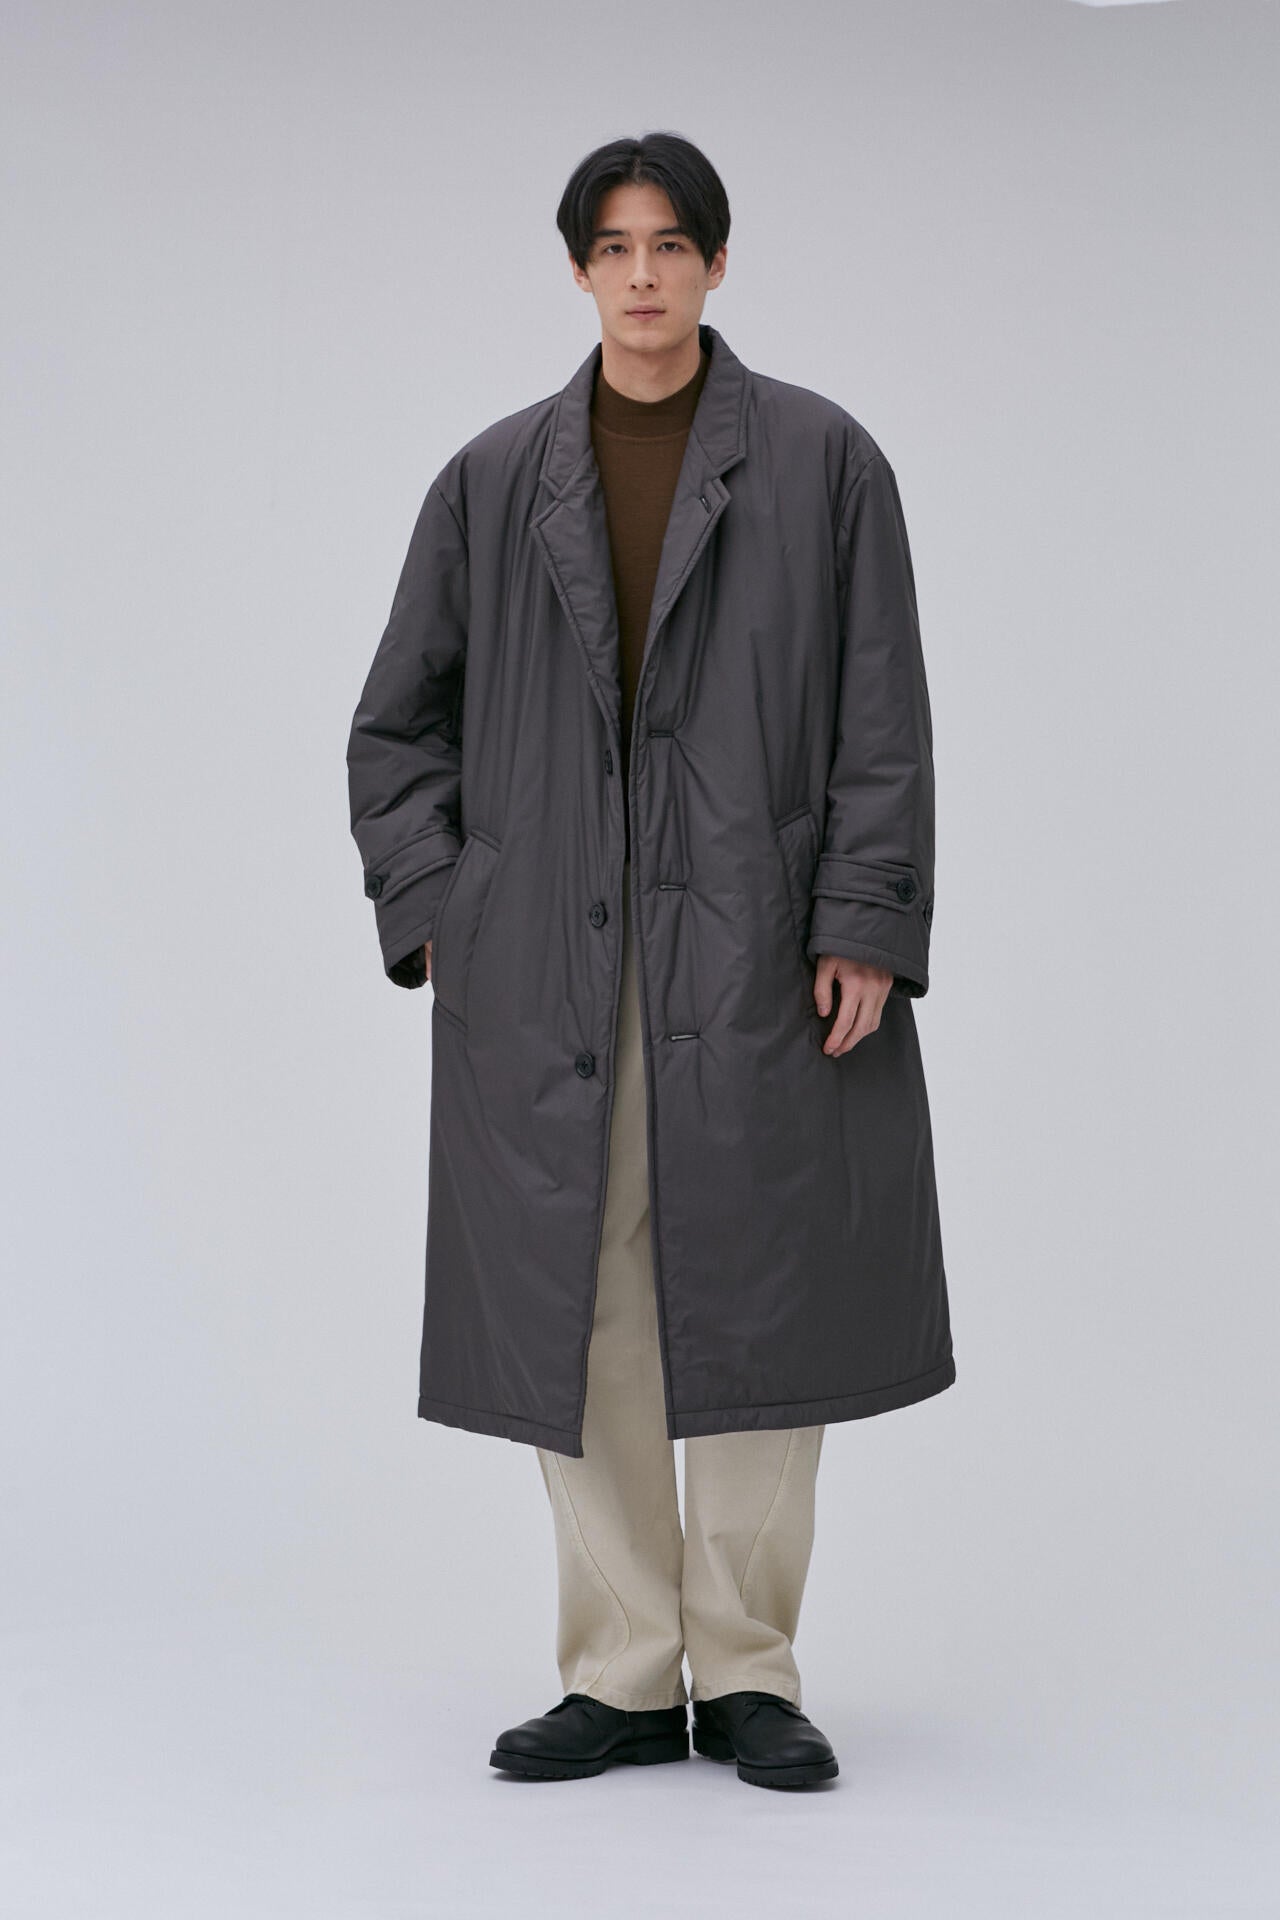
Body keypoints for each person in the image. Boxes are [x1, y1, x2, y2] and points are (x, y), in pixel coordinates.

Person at [347, 132, 955, 1791]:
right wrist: (445, 914)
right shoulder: (491, 481)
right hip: (552, 964)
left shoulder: (825, 463)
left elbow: (884, 714)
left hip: (757, 945)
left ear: (715, 263)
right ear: (577, 270)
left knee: (765, 1292)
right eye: (613, 247)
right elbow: (395, 728)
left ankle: (749, 1671)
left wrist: (865, 918)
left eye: (670, 244)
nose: (642, 274)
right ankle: (620, 1671)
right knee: (588, 1298)